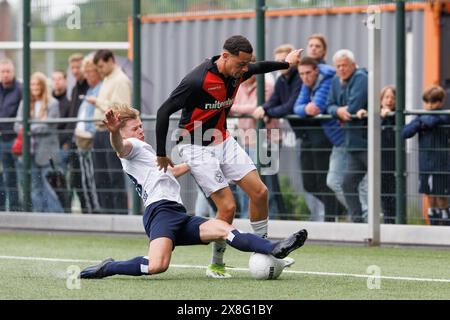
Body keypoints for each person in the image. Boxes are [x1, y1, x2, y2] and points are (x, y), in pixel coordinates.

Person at [79, 105, 308, 279]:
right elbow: (120, 147)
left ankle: (275, 248)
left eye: (140, 126)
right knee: (157, 266)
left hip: (177, 213)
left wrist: (202, 157)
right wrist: (114, 133)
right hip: (159, 214)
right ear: (123, 131)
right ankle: (109, 267)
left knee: (224, 229)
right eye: (135, 128)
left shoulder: (146, 151)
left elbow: (173, 170)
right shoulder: (132, 147)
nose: (141, 131)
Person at [155, 35, 302, 278]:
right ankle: (216, 264)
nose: (245, 70)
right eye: (241, 64)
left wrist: (286, 63)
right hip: (194, 145)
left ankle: (266, 251)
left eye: (247, 65)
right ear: (225, 56)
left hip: (222, 139)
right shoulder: (196, 80)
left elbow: (259, 67)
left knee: (260, 192)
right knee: (228, 207)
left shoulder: (237, 72)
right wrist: (161, 152)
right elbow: (163, 111)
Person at [230, 55, 282, 219]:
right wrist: (247, 109)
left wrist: (238, 108)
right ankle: (248, 219)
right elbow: (233, 106)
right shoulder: (237, 86)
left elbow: (259, 107)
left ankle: (270, 220)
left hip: (265, 140)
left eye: (247, 67)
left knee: (265, 186)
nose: (244, 71)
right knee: (244, 184)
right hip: (245, 140)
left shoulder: (266, 86)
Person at [293, 56, 343, 221]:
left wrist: (305, 109)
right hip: (310, 137)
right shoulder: (307, 85)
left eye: (308, 73)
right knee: (309, 184)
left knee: (325, 182)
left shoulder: (327, 79)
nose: (305, 77)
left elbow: (318, 107)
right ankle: (341, 209)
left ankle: (330, 219)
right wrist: (305, 109)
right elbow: (297, 106)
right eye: (301, 74)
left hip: (327, 136)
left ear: (316, 71)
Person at [327, 49, 368, 223]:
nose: (341, 69)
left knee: (380, 182)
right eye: (338, 66)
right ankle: (358, 222)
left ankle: (389, 221)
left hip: (368, 141)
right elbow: (328, 105)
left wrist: (341, 110)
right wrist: (338, 110)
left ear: (353, 64)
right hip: (351, 143)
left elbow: (354, 105)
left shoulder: (361, 77)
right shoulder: (336, 80)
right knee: (347, 183)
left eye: (344, 65)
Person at [88, 49, 131, 214]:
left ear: (111, 61)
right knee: (101, 176)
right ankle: (106, 213)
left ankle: (118, 214)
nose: (99, 70)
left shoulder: (120, 80)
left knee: (114, 175)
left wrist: (98, 102)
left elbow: (121, 109)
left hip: (112, 133)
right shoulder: (107, 79)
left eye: (101, 66)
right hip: (100, 132)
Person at [14, 72, 64, 213]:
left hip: (47, 153)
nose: (35, 87)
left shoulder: (53, 103)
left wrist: (28, 127)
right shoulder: (24, 103)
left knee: (49, 187)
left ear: (43, 86)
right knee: (35, 187)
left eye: (37, 84)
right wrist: (33, 126)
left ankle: (57, 217)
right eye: (32, 84)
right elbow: (17, 125)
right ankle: (40, 216)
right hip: (28, 152)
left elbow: (49, 126)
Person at [401, 85, 450, 226]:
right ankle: (433, 226)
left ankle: (446, 227)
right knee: (430, 196)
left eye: (433, 102)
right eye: (426, 102)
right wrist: (420, 122)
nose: (429, 105)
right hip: (425, 163)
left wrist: (420, 121)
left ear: (441, 102)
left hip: (442, 164)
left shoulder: (445, 115)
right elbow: (405, 132)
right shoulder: (421, 116)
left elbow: (433, 121)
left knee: (442, 197)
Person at [74, 57, 102, 214]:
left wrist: (90, 132)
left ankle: (96, 210)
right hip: (81, 140)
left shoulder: (100, 89)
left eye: (89, 72)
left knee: (92, 177)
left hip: (91, 139)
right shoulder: (90, 90)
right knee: (86, 177)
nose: (87, 75)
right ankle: (91, 209)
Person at [67, 53, 90, 213]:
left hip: (87, 141)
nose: (75, 71)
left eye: (78, 67)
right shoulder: (75, 88)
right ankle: (84, 210)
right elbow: (72, 115)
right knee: (75, 179)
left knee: (86, 178)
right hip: (74, 140)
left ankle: (91, 211)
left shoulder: (90, 87)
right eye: (72, 68)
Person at [0, 58, 21, 212]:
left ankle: (20, 209)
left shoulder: (20, 89)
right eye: (2, 71)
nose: (5, 75)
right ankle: (10, 209)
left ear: (13, 73)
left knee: (20, 175)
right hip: (2, 140)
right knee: (8, 177)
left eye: (8, 71)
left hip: (15, 140)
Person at [379, 85, 396, 224]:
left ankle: (395, 222)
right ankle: (387, 222)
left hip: (394, 160)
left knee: (394, 192)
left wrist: (387, 117)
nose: (389, 100)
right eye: (386, 97)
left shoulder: (397, 115)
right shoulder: (376, 115)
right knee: (383, 193)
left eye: (392, 97)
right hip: (380, 160)